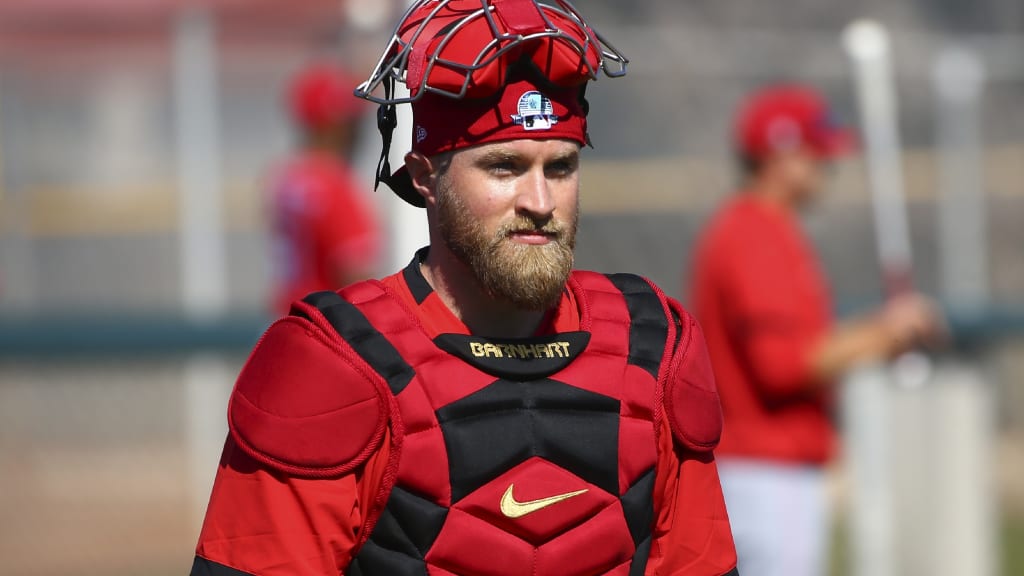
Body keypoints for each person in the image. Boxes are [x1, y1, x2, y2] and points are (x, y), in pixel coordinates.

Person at [190, 1, 737, 575]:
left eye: (560, 167)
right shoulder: (335, 367)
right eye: (504, 167)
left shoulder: (652, 349)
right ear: (425, 176)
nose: (540, 202)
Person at [687, 84, 945, 576]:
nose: (826, 166)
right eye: (814, 153)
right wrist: (886, 334)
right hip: (765, 470)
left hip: (763, 469)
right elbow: (783, 367)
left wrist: (880, 332)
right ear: (779, 157)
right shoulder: (754, 233)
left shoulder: (762, 227)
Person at [267, 61, 382, 314]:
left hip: (285, 320)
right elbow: (356, 277)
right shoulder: (334, 184)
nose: (359, 132)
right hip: (325, 323)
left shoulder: (286, 177)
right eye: (351, 123)